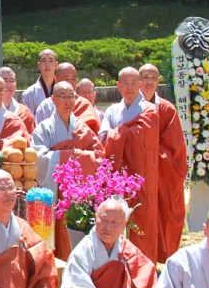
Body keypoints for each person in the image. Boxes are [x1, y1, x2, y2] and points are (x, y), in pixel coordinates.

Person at [31, 81, 105, 259]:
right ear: (53, 99)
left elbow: (99, 155)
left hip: (79, 192)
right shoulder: (43, 128)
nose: (68, 101)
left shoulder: (82, 128)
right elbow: (39, 158)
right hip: (55, 191)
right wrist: (72, 156)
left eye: (71, 96)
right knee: (55, 236)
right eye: (63, 96)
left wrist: (72, 156)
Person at [99, 67, 160, 262]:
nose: (130, 87)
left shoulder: (149, 110)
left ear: (140, 85)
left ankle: (143, 264)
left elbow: (143, 137)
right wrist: (119, 134)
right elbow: (103, 137)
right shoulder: (112, 110)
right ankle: (116, 262)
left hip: (141, 173)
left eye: (134, 83)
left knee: (142, 218)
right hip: (118, 173)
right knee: (115, 217)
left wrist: (118, 133)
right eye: (125, 83)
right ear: (118, 86)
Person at [139, 63, 188, 262]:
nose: (149, 82)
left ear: (158, 81)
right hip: (135, 172)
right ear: (138, 81)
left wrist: (150, 156)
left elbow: (175, 147)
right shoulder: (128, 107)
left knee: (166, 211)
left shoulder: (166, 109)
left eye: (153, 78)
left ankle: (165, 257)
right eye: (145, 77)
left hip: (161, 173)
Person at [32, 63, 100, 133]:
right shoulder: (45, 107)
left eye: (73, 79)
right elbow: (40, 132)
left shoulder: (84, 104)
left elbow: (91, 133)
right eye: (67, 79)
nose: (70, 83)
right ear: (56, 80)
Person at [0, 66, 35, 134]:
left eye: (12, 81)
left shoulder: (24, 112)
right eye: (5, 81)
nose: (9, 85)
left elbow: (30, 136)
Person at [20, 48, 57, 117]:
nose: (47, 64)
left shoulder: (63, 91)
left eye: (51, 60)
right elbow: (28, 119)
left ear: (56, 65)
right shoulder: (29, 94)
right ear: (39, 65)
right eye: (44, 61)